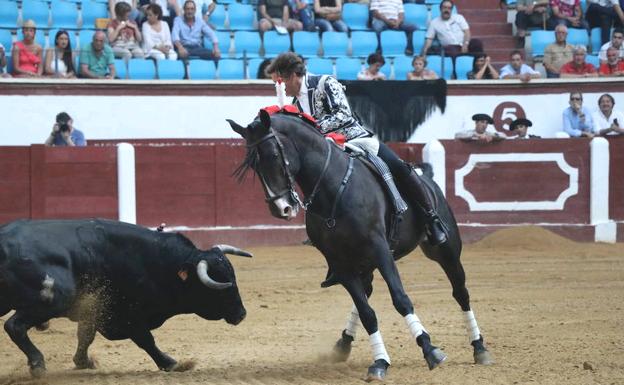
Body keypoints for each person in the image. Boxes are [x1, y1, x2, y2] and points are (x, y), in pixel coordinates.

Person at [265, 52, 448, 246]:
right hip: (328, 152)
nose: (281, 88)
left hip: (355, 139)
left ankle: (431, 218)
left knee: (400, 167)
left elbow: (343, 115)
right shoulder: (295, 104)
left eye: (281, 81)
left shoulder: (324, 83)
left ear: (293, 76)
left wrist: (313, 130)